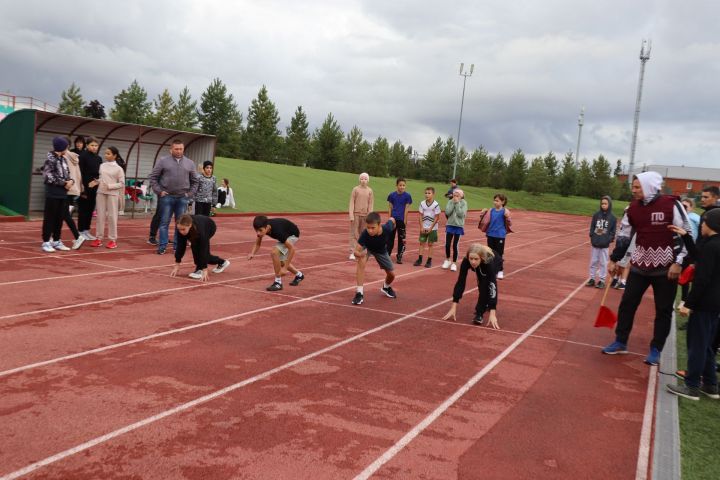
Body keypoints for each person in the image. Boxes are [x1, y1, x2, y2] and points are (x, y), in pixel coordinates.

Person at [602, 171, 690, 365]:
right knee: (627, 304)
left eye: (637, 187)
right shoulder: (632, 208)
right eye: (632, 187)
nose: (633, 190)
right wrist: (615, 259)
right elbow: (624, 235)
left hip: (667, 268)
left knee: (663, 310)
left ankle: (656, 349)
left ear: (650, 186)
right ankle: (620, 341)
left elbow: (686, 233)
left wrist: (679, 262)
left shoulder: (671, 205)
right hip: (639, 265)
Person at [666, 208, 720, 400]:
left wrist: (688, 303)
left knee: (697, 345)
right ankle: (711, 385)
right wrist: (686, 237)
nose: (701, 225)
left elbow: (702, 279)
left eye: (704, 222)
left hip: (705, 303)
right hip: (714, 304)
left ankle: (692, 386)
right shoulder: (713, 244)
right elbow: (698, 256)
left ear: (711, 225)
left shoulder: (712, 246)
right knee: (705, 344)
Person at [149, 139, 199, 255]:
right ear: (171, 149)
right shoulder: (162, 161)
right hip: (166, 197)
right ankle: (162, 247)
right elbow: (153, 177)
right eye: (176, 149)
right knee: (164, 223)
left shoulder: (190, 163)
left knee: (180, 224)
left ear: (183, 149)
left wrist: (189, 194)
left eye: (181, 149)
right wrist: (159, 191)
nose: (178, 151)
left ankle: (178, 247)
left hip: (182, 198)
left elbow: (195, 181)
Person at [442, 243, 500, 328]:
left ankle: (479, 314)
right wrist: (453, 306)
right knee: (481, 284)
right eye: (471, 258)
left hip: (495, 261)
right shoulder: (466, 261)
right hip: (481, 266)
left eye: (476, 259)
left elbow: (493, 286)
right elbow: (461, 282)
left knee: (485, 286)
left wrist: (493, 311)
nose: (473, 262)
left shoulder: (488, 263)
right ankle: (484, 305)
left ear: (481, 258)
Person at [351, 212, 397, 305]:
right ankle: (359, 293)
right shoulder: (365, 234)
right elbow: (356, 251)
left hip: (381, 250)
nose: (370, 230)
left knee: (392, 275)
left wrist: (393, 221)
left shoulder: (387, 228)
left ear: (379, 225)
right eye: (368, 227)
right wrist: (360, 255)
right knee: (361, 261)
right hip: (368, 248)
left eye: (373, 228)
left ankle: (386, 287)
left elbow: (392, 220)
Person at [248, 215, 304, 291]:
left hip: (293, 235)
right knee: (281, 262)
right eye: (256, 230)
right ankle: (299, 275)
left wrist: (284, 269)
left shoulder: (278, 231)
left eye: (260, 230)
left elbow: (292, 249)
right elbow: (258, 243)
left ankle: (278, 283)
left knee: (274, 252)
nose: (258, 233)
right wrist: (252, 253)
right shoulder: (263, 227)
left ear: (267, 227)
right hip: (286, 233)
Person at [40, 137, 76, 252]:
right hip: (53, 194)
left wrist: (71, 181)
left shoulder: (63, 160)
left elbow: (68, 174)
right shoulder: (50, 160)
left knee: (59, 219)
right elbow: (48, 177)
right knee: (49, 218)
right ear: (61, 147)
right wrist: (63, 183)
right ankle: (46, 242)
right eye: (66, 146)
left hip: (63, 194)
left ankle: (56, 240)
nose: (67, 148)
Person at [170, 214, 230, 282]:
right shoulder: (181, 227)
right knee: (195, 247)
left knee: (198, 248)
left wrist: (204, 269)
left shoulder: (200, 232)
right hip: (197, 226)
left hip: (209, 227)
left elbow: (204, 249)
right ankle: (222, 262)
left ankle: (200, 269)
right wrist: (177, 264)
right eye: (179, 229)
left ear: (189, 225)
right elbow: (181, 246)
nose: (181, 232)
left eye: (183, 229)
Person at [90, 147, 125, 249]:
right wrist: (96, 182)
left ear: (114, 156)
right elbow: (102, 178)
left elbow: (122, 183)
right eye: (105, 153)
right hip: (101, 193)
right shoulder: (102, 166)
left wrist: (110, 186)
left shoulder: (119, 169)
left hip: (112, 194)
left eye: (108, 154)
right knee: (100, 216)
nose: (106, 155)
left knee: (112, 217)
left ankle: (112, 240)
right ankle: (98, 238)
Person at [586, 196, 617, 289]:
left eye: (605, 204)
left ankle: (602, 280)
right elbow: (592, 227)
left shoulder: (612, 218)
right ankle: (592, 279)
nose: (603, 205)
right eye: (602, 203)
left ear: (609, 204)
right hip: (595, 243)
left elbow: (612, 231)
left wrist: (608, 239)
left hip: (604, 245)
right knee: (593, 261)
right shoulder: (596, 215)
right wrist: (592, 235)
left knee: (603, 263)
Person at [479, 193, 512, 279]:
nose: (495, 202)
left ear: (502, 202)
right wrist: (482, 214)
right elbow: (484, 220)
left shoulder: (505, 211)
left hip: (500, 235)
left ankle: (500, 270)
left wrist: (508, 217)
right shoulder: (491, 211)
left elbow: (509, 223)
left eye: (497, 201)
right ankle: (491, 269)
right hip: (490, 234)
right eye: (494, 200)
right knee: (490, 253)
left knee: (499, 253)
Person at [676, 197, 701, 311]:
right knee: (673, 275)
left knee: (685, 278)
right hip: (678, 250)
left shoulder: (695, 218)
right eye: (682, 206)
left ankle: (683, 300)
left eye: (686, 206)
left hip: (690, 251)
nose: (684, 208)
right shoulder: (678, 216)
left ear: (691, 208)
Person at [77, 136, 103, 240]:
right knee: (83, 209)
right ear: (87, 145)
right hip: (84, 187)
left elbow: (100, 173)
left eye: (96, 145)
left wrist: (97, 181)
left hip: (95, 186)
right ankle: (80, 231)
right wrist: (82, 186)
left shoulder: (99, 158)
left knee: (90, 209)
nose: (94, 147)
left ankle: (86, 230)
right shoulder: (82, 156)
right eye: (92, 145)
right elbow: (79, 172)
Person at [63, 145, 85, 250]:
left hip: (66, 188)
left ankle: (78, 236)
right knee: (64, 214)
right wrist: (79, 188)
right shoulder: (74, 157)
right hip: (73, 189)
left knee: (64, 214)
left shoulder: (64, 156)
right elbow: (79, 174)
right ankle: (55, 238)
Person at [413, 186, 441, 268]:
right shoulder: (422, 203)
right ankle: (420, 259)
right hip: (424, 226)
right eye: (426, 193)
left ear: (433, 194)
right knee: (421, 243)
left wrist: (431, 228)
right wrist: (421, 227)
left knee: (430, 244)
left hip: (433, 228)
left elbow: (437, 217)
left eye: (429, 193)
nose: (427, 195)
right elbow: (420, 216)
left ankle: (429, 260)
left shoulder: (436, 205)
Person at [386, 177, 412, 263]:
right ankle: (387, 255)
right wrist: (389, 218)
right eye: (400, 185)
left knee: (402, 240)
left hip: (401, 220)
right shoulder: (391, 195)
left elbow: (406, 209)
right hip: (393, 220)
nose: (402, 187)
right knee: (390, 239)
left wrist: (405, 220)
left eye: (404, 185)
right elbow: (390, 207)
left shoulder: (407, 196)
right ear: (396, 185)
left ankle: (399, 256)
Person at [348, 172, 374, 260]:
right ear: (359, 179)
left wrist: (369, 216)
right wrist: (351, 215)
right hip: (356, 214)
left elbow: (370, 204)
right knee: (354, 233)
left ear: (368, 180)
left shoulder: (370, 191)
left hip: (365, 216)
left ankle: (362, 251)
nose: (363, 180)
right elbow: (351, 202)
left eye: (365, 179)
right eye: (362, 178)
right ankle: (352, 252)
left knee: (364, 234)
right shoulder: (355, 189)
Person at [443, 189, 468, 271]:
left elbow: (461, 214)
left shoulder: (464, 203)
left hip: (458, 226)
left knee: (455, 245)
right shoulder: (450, 202)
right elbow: (447, 212)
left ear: (461, 196)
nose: (455, 197)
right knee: (447, 244)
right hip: (450, 225)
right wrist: (453, 203)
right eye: (454, 195)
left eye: (457, 196)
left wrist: (457, 203)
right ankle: (447, 260)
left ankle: (454, 263)